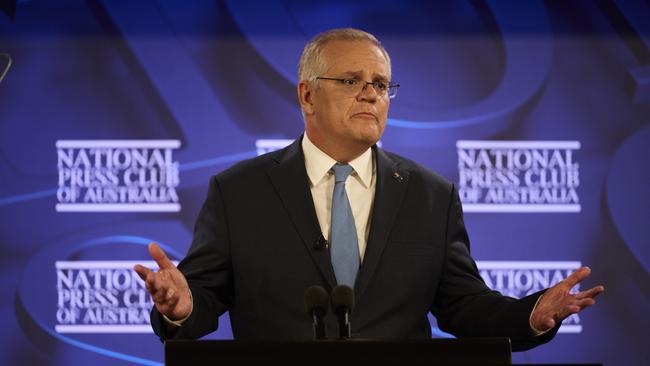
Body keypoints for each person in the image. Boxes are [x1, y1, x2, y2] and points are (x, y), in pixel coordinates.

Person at [134, 28, 604, 351]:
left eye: (380, 84)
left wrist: (530, 315)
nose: (371, 94)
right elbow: (201, 298)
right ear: (306, 95)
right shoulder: (240, 192)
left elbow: (463, 305)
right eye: (351, 81)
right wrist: (182, 304)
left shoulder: (430, 195)